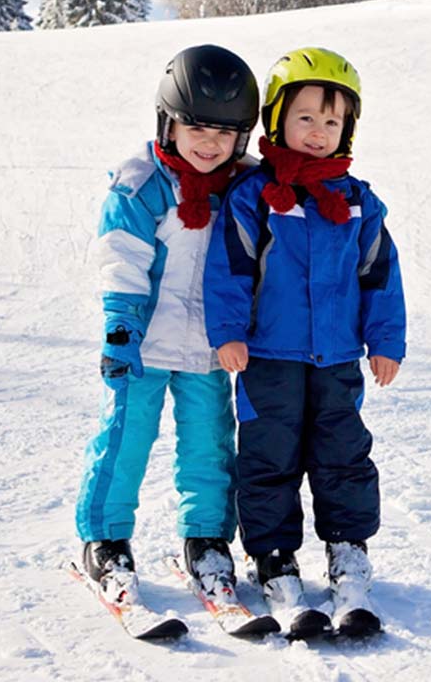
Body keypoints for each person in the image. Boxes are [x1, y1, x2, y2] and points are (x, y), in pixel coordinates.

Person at [206, 47, 405, 640]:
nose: (319, 132)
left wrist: (385, 339)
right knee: (269, 457)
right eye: (306, 118)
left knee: (343, 455)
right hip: (269, 357)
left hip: (338, 359)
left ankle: (349, 553)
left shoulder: (359, 201)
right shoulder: (257, 197)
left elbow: (380, 275)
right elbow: (231, 269)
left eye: (332, 121)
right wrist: (229, 333)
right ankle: (274, 559)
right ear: (277, 121)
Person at [76, 45, 259, 609]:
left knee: (209, 446)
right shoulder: (142, 185)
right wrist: (120, 331)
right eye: (196, 127)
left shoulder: (243, 186)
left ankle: (206, 540)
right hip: (145, 346)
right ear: (168, 122)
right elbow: (122, 260)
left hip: (209, 348)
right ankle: (104, 540)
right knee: (126, 440)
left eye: (224, 133)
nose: (209, 143)